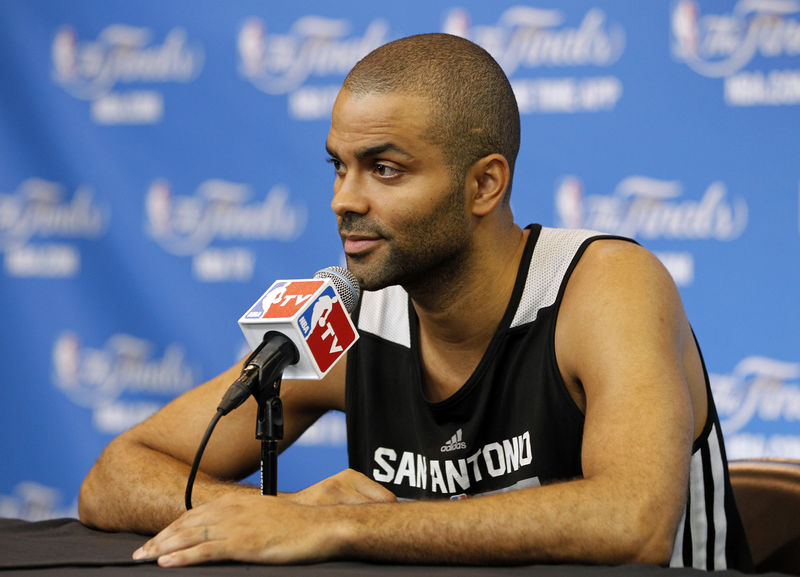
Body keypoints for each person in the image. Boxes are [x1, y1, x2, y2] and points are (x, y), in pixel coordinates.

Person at [78, 33, 751, 571]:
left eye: (385, 168)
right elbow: (113, 476)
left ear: (484, 184)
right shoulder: (348, 314)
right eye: (338, 166)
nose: (345, 198)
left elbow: (633, 521)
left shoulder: (604, 286)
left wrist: (336, 523)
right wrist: (264, 508)